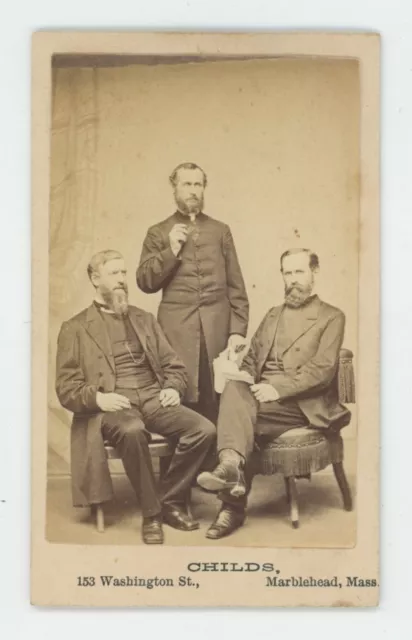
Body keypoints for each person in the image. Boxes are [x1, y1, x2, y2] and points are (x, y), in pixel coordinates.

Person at [55, 249, 216, 545]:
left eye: (123, 273)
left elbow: (173, 365)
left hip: (154, 399)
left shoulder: (144, 319)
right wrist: (99, 399)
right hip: (115, 405)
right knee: (132, 430)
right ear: (95, 279)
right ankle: (152, 514)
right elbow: (66, 386)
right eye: (113, 273)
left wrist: (172, 387)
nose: (121, 280)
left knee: (203, 430)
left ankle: (169, 500)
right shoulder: (75, 328)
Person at [197, 248, 351, 539]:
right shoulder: (272, 315)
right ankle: (232, 470)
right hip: (261, 398)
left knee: (240, 418)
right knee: (233, 388)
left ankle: (231, 501)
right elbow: (253, 358)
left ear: (314, 274)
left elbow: (322, 369)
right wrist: (238, 371)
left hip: (302, 402)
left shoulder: (332, 317)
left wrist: (276, 388)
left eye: (299, 272)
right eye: (287, 272)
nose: (293, 280)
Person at [136, 162, 249, 423]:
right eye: (187, 184)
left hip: (217, 331)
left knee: (217, 400)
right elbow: (145, 282)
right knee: (179, 399)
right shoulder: (158, 232)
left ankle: (216, 464)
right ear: (174, 188)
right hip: (176, 333)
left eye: (198, 184)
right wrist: (171, 250)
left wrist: (236, 331)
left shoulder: (221, 231)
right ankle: (181, 464)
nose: (193, 190)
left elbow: (237, 286)